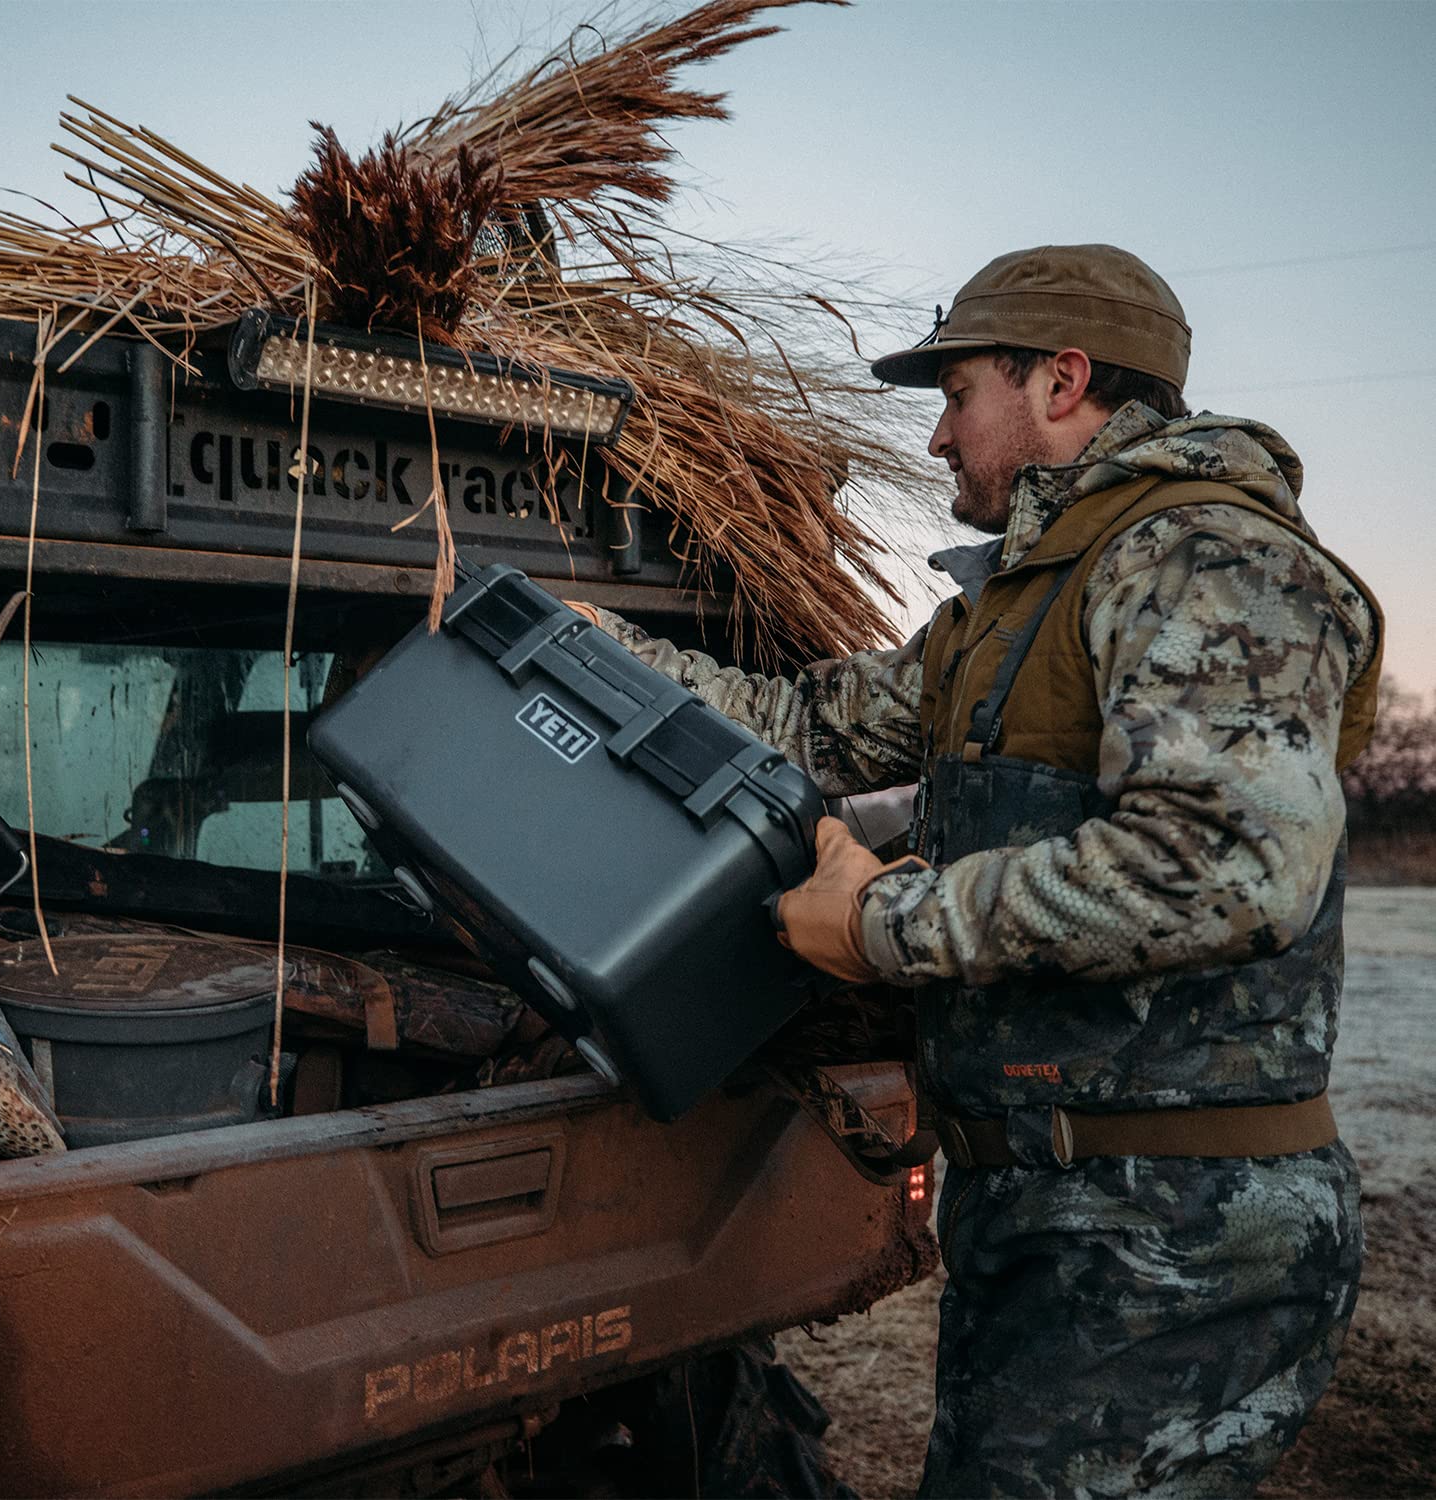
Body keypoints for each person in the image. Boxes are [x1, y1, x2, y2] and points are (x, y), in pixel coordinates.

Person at [577, 243, 1384, 1497]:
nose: (941, 438)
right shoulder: (1009, 606)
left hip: (1176, 1235)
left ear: (1061, 381)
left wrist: (883, 923)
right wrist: (582, 646)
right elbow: (803, 727)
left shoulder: (1214, 562)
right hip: (1047, 1216)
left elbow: (1225, 866)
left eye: (958, 396)